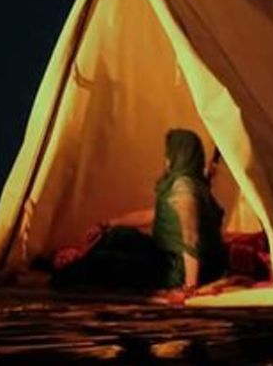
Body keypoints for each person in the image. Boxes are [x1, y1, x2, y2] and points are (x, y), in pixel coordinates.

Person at [52, 128, 227, 301]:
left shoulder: (184, 189)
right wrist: (107, 223)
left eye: (170, 153)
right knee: (118, 235)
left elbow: (191, 239)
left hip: (177, 268)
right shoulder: (191, 184)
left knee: (105, 262)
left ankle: (69, 270)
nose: (166, 160)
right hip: (168, 254)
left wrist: (189, 287)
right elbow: (153, 215)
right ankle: (78, 260)